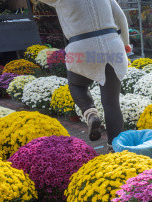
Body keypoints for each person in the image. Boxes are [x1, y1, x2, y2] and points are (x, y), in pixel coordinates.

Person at [38, 0, 131, 150]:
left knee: (76, 85)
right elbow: (121, 18)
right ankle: (114, 149)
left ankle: (90, 113)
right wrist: (126, 44)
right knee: (111, 103)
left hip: (81, 47)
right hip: (113, 45)